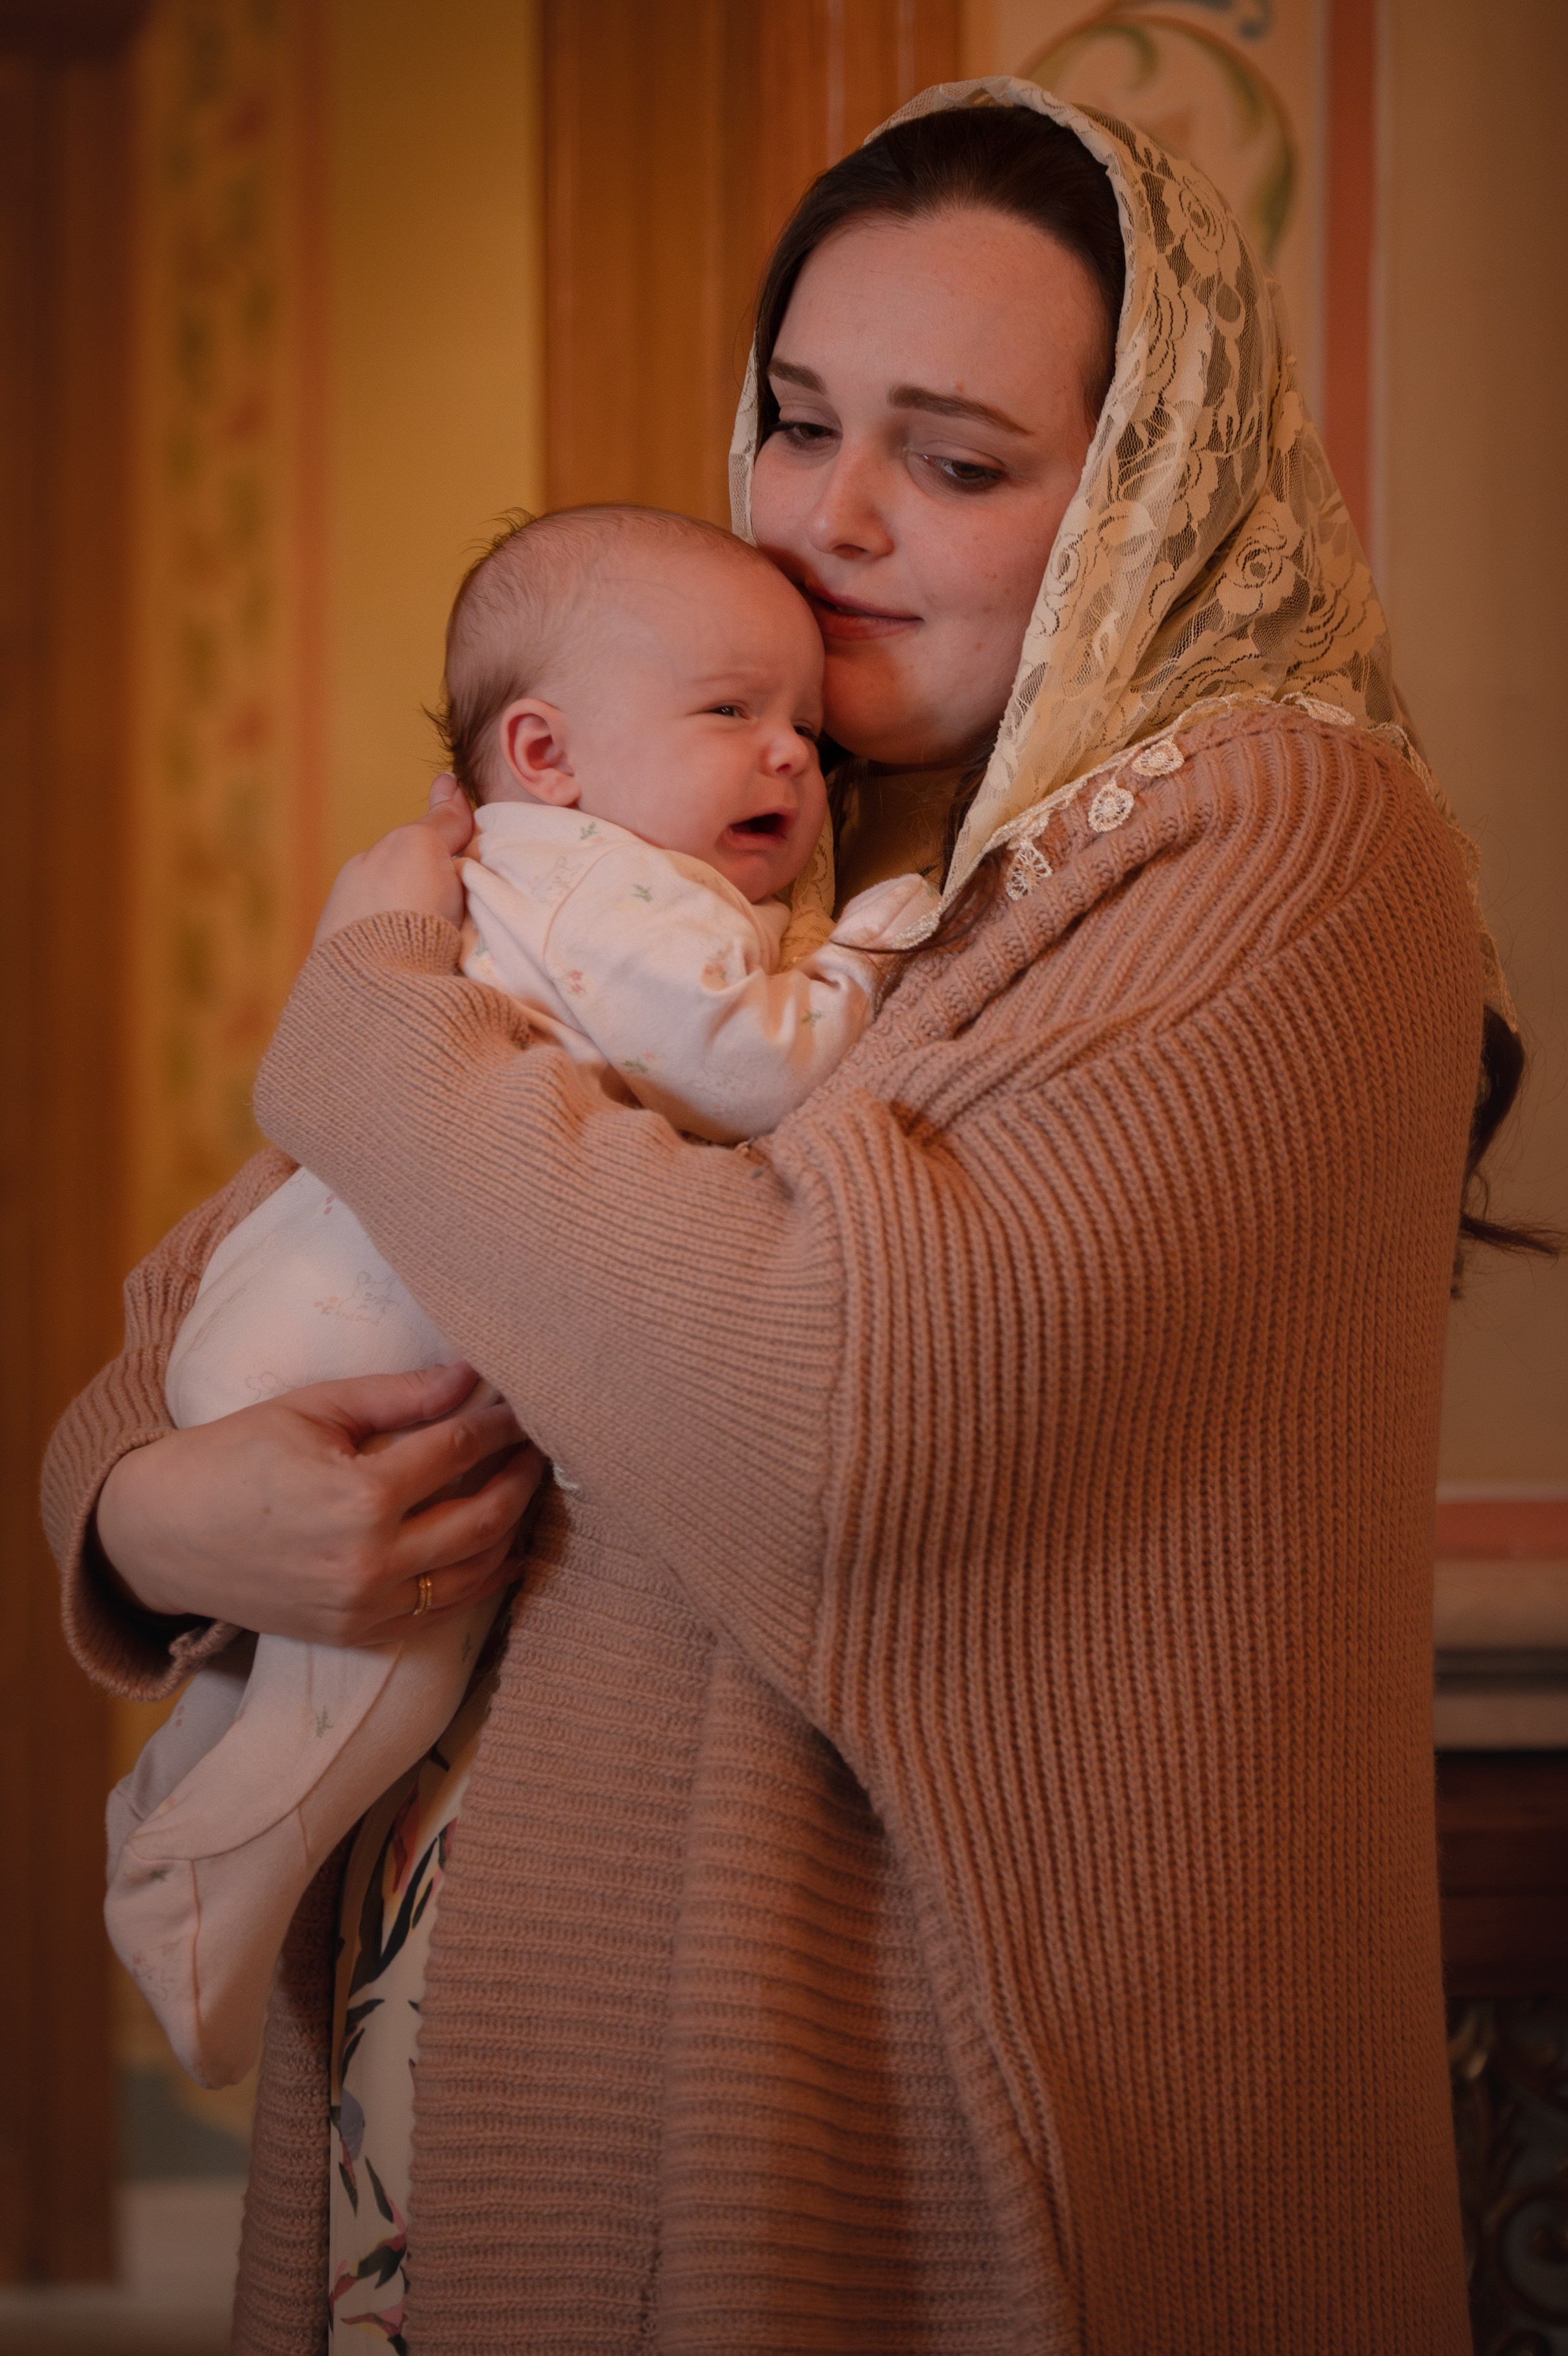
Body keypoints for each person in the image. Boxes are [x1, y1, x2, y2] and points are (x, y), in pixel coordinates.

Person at [45, 82, 1493, 2352]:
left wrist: (371, 1011)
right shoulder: (748, 805)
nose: (828, 518)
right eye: (794, 419)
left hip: (896, 2127)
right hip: (460, 2042)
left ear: (1133, 485)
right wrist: (150, 1516)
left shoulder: (1270, 841)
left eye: (953, 457)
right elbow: (236, 1285)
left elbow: (827, 1423)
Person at [108, 502, 930, 2101]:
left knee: (288, 1663)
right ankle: (201, 1901)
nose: (789, 763)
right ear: (543, 752)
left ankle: (170, 1804)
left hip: (311, 1299)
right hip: (373, 1332)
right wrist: (874, 946)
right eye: (731, 717)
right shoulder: (601, 888)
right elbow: (744, 1060)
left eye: (804, 733)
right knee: (388, 1665)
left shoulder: (544, 872)